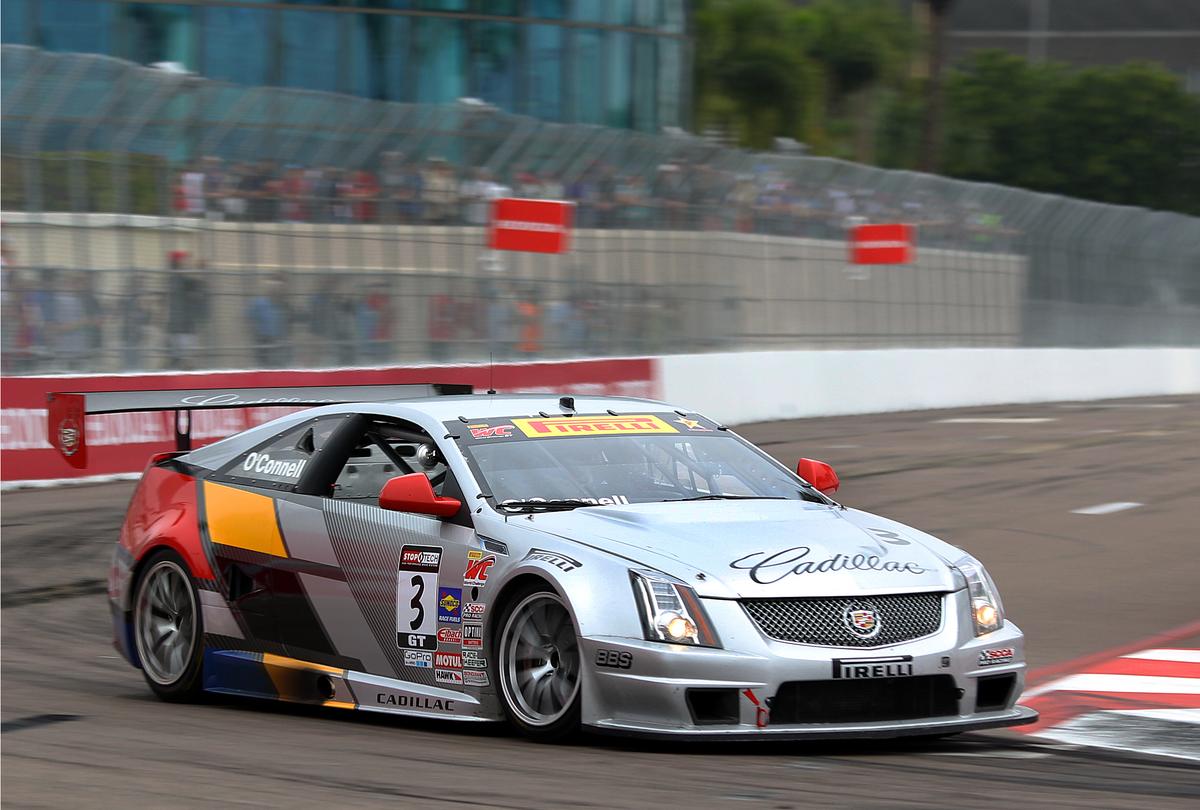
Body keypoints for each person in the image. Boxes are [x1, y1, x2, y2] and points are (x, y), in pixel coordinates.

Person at [166, 251, 209, 369]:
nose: (187, 262)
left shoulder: (177, 278)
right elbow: (196, 284)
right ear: (178, 262)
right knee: (184, 362)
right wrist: (201, 269)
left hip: (183, 326)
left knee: (181, 360)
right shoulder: (177, 279)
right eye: (184, 260)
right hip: (182, 328)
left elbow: (196, 286)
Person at [246, 274, 294, 368]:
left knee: (281, 368)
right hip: (263, 340)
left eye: (280, 287)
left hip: (281, 341)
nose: (276, 289)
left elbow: (290, 323)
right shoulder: (258, 303)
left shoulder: (285, 305)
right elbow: (249, 320)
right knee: (264, 367)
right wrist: (254, 335)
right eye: (273, 286)